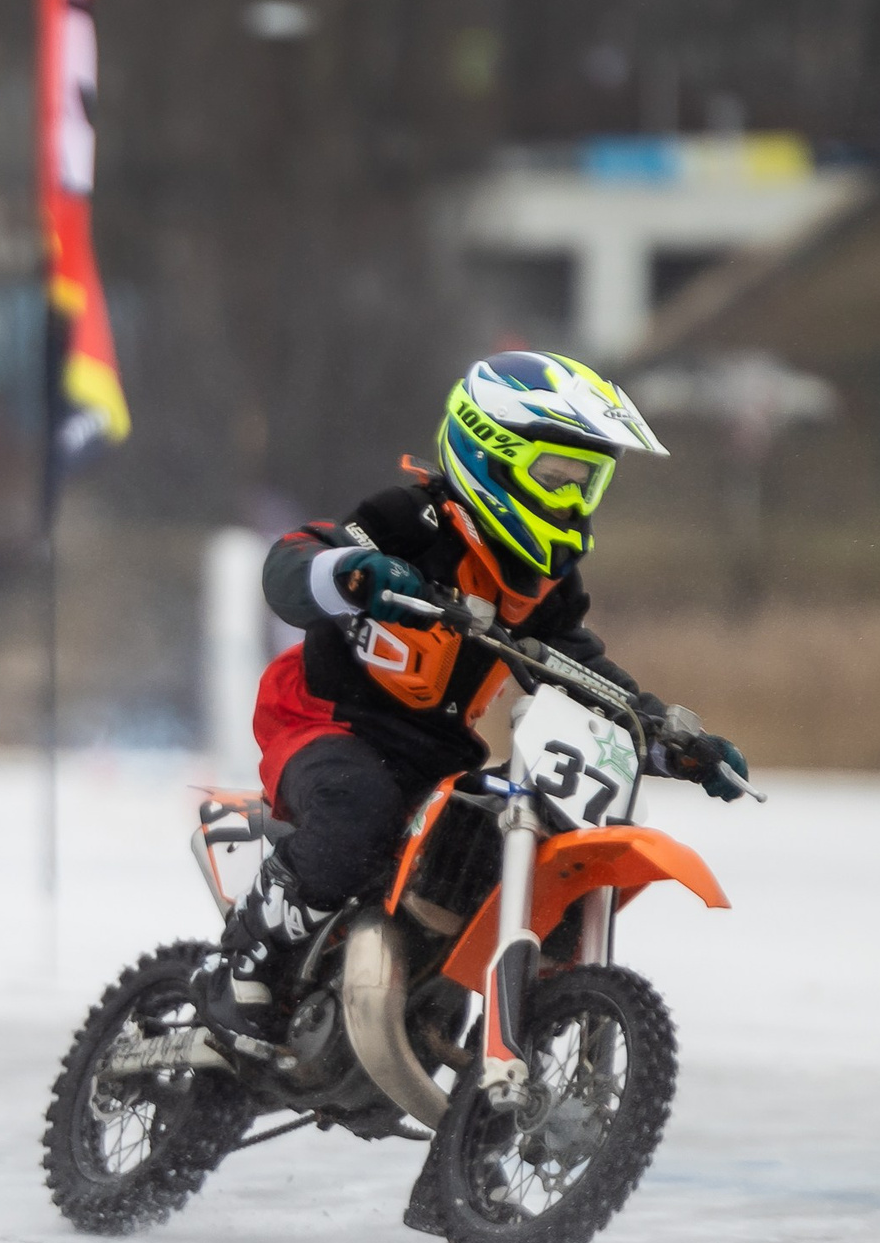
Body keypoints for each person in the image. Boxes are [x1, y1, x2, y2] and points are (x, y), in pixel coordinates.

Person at [194, 351, 748, 1045]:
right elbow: (291, 562)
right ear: (492, 453)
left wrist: (670, 740)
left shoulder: (545, 587)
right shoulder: (411, 520)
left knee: (510, 827)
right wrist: (354, 572)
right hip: (328, 722)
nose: (572, 501)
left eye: (588, 483)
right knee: (357, 810)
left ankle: (481, 1012)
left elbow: (581, 669)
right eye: (556, 477)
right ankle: (248, 959)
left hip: (436, 757)